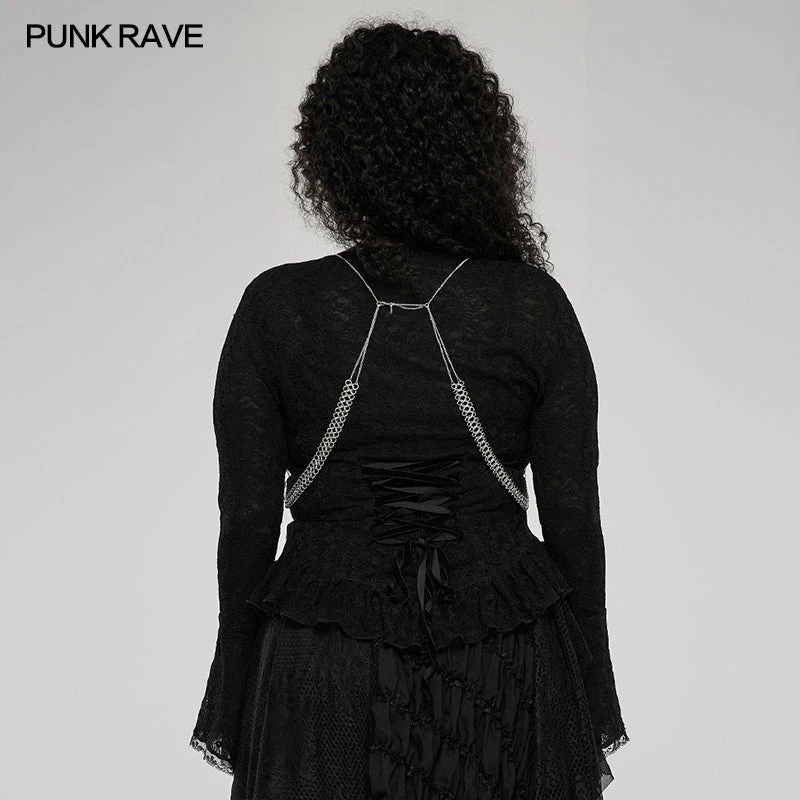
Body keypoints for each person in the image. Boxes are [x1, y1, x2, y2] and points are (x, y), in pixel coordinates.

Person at [189, 20, 629, 800]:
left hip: (326, 663)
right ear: (479, 152)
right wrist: (591, 695)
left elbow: (246, 526)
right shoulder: (530, 307)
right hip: (505, 655)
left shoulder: (280, 308)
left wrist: (236, 695)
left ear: (333, 158)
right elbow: (576, 525)